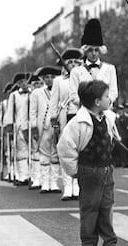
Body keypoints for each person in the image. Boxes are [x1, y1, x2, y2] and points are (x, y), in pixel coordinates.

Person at [57, 80, 119, 246]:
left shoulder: (108, 118)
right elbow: (65, 148)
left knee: (106, 207)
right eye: (107, 96)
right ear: (97, 102)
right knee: (90, 209)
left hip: (106, 170)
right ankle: (89, 242)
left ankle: (109, 241)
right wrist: (75, 171)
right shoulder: (77, 123)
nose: (109, 99)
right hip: (89, 171)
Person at [50, 47, 83, 201]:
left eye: (76, 62)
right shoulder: (58, 81)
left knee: (80, 152)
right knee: (66, 152)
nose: (73, 65)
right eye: (70, 62)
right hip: (65, 118)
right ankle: (67, 186)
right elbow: (53, 103)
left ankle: (76, 185)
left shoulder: (84, 78)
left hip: (80, 117)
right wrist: (54, 121)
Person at [69, 18, 118, 111]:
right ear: (86, 51)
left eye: (96, 50)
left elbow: (113, 92)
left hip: (105, 112)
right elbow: (73, 95)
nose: (94, 53)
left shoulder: (110, 69)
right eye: (91, 50)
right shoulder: (76, 71)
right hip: (85, 113)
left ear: (100, 51)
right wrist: (89, 106)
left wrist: (104, 104)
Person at [30, 66, 62, 193]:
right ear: (42, 79)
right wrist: (33, 127)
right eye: (47, 77)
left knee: (55, 154)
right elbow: (33, 112)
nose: (49, 80)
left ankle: (53, 182)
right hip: (42, 127)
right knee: (44, 155)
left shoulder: (60, 90)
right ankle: (44, 183)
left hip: (56, 126)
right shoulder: (36, 93)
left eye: (52, 77)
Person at [4, 73, 32, 185]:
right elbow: (10, 111)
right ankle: (22, 176)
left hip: (31, 126)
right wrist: (9, 126)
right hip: (19, 127)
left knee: (34, 151)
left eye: (25, 81)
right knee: (21, 152)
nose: (24, 84)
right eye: (20, 82)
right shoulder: (14, 95)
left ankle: (33, 175)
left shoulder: (34, 93)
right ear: (18, 84)